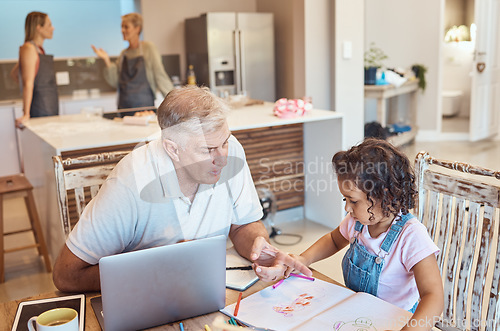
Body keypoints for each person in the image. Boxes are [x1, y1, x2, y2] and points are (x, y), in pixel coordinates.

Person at [52, 86, 310, 292]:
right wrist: (156, 268)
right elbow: (66, 275)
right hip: (148, 296)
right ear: (172, 148)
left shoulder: (232, 151)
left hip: (211, 289)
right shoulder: (131, 180)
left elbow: (242, 224)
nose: (222, 158)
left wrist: (259, 247)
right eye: (207, 150)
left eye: (225, 142)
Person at [257, 138, 444, 330]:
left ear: (385, 196)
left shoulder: (411, 235)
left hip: (397, 322)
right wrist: (304, 259)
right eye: (344, 199)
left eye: (353, 201)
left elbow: (433, 296)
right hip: (356, 314)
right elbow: (333, 240)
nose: (347, 208)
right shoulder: (358, 223)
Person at [91, 12, 173, 109]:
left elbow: (160, 75)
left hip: (144, 108)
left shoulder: (148, 48)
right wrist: (106, 60)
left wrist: (174, 101)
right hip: (123, 107)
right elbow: (115, 82)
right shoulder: (123, 54)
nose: (122, 30)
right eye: (122, 27)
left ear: (137, 28)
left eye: (126, 27)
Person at [15, 11, 59, 129]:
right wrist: (26, 114)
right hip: (40, 109)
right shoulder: (29, 48)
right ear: (39, 28)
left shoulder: (39, 50)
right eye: (49, 25)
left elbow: (15, 74)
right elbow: (27, 83)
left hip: (50, 107)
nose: (53, 28)